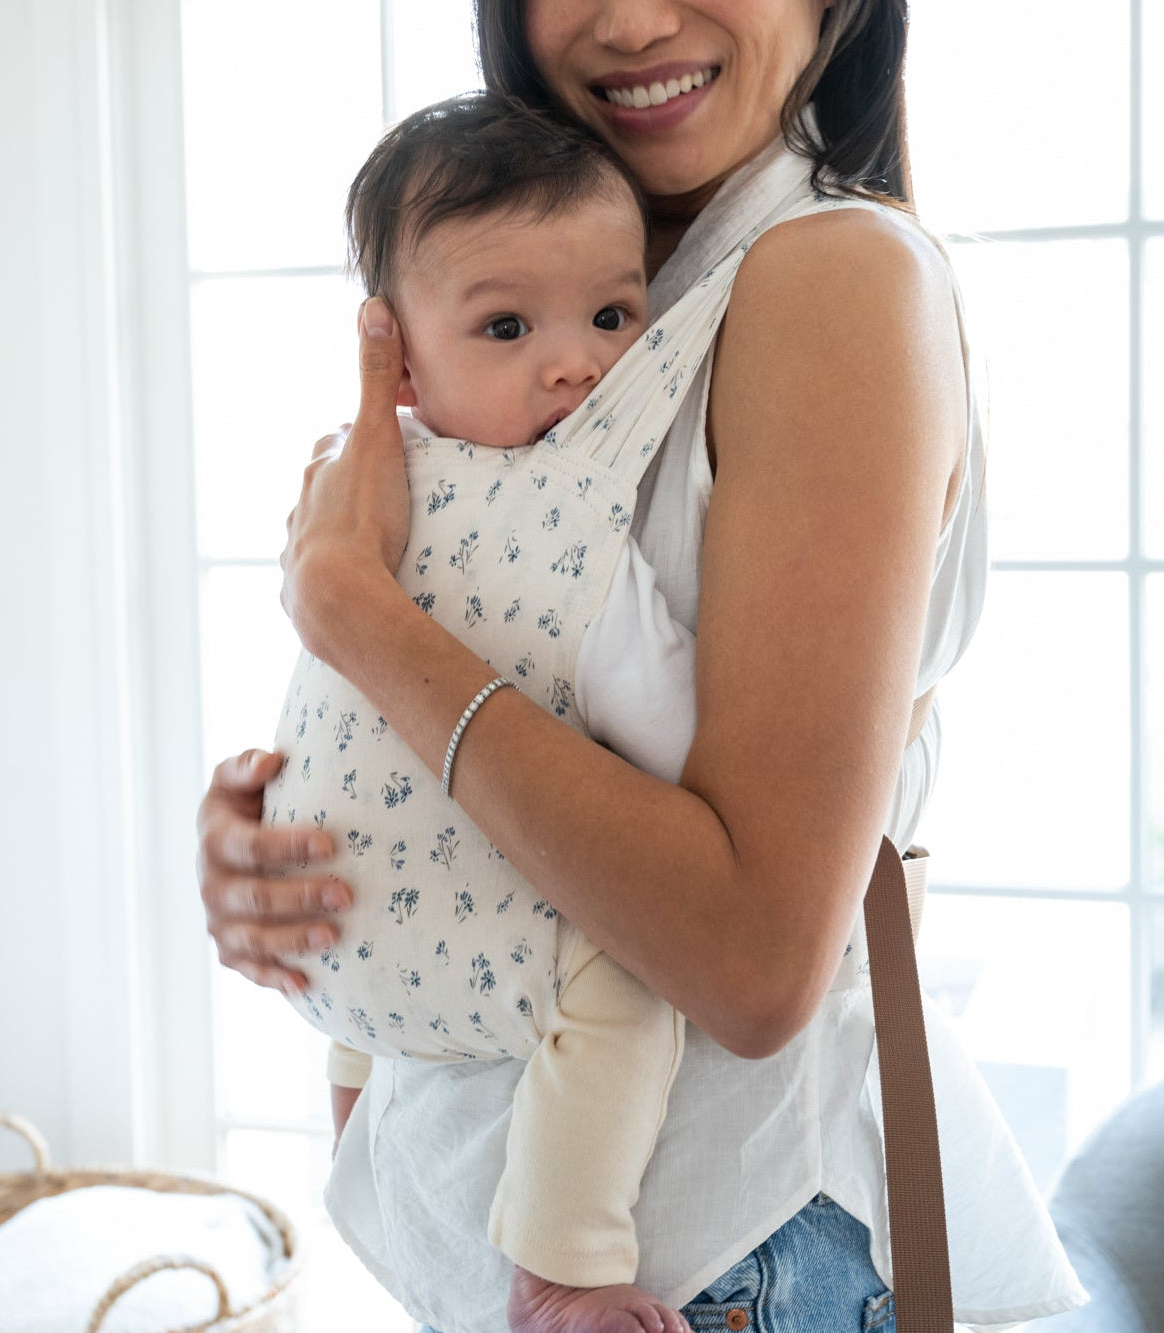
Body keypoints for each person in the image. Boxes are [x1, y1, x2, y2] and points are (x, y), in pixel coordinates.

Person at [197, 3, 1089, 1332]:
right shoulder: (559, 271)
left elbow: (749, 962)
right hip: (503, 1235)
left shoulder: (827, 276)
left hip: (724, 1260)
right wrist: (289, 843)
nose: (627, 19)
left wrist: (359, 618)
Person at [265, 93, 700, 1333]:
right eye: (507, 325)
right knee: (630, 966)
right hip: (460, 932)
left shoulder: (345, 497)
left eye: (614, 315)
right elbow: (682, 747)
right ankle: (562, 1263)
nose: (577, 362)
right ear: (395, 358)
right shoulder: (570, 524)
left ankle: (357, 1119)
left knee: (380, 888)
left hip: (329, 933)